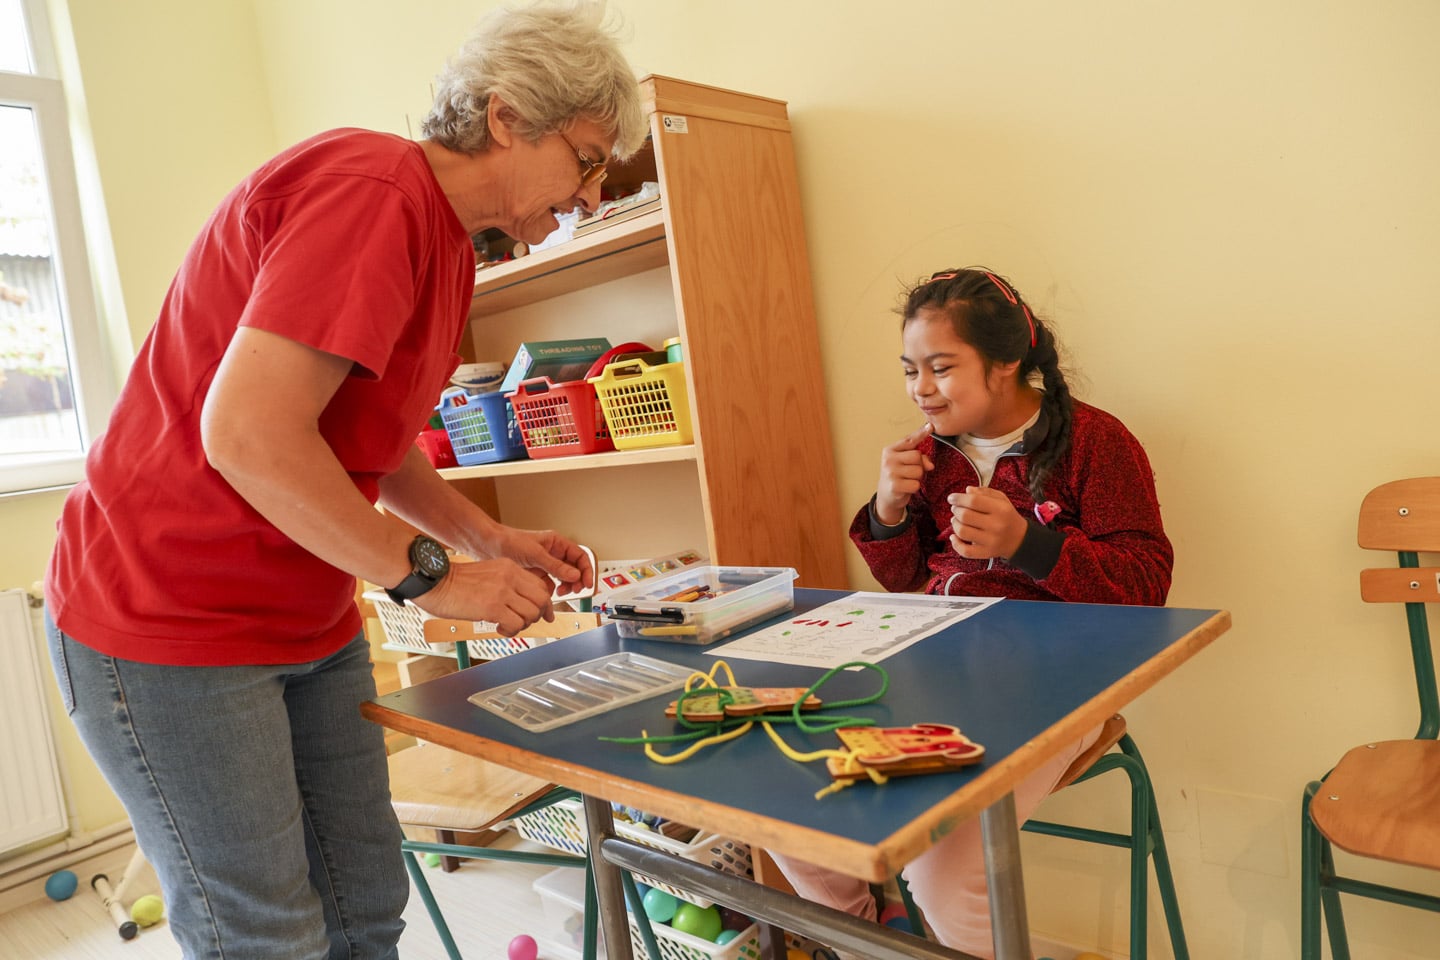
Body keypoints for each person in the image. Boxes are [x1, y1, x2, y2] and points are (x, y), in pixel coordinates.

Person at [42, 2, 647, 957]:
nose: (586, 195)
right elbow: (248, 434)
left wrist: (483, 539)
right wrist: (438, 577)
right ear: (506, 117)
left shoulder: (447, 244)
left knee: (366, 909)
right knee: (266, 936)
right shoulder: (372, 192)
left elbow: (370, 438)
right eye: (584, 158)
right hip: (171, 619)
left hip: (303, 620)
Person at [770, 266, 1174, 958]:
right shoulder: (928, 456)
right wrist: (889, 511)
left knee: (946, 871)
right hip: (932, 671)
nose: (920, 389)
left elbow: (1146, 586)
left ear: (1006, 362)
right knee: (786, 799)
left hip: (1058, 684)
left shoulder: (1095, 445)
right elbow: (903, 579)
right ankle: (869, 940)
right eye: (909, 370)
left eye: (940, 367)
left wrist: (1031, 544)